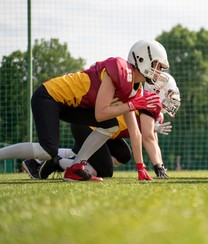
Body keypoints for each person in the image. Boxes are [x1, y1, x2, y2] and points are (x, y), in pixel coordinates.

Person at [0, 39, 169, 181]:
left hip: (71, 105)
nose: (159, 72)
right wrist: (132, 105)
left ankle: (76, 167)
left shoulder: (135, 88)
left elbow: (135, 133)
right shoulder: (121, 70)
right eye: (157, 66)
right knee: (47, 150)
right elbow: (100, 113)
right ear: (141, 59)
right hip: (50, 96)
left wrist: (141, 168)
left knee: (111, 126)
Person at [22, 73, 181, 180]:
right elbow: (148, 138)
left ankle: (63, 160)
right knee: (105, 171)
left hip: (105, 131)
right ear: (156, 89)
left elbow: (150, 137)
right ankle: (57, 161)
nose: (171, 98)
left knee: (124, 154)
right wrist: (158, 168)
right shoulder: (146, 101)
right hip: (92, 126)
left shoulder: (152, 108)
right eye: (168, 93)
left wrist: (159, 165)